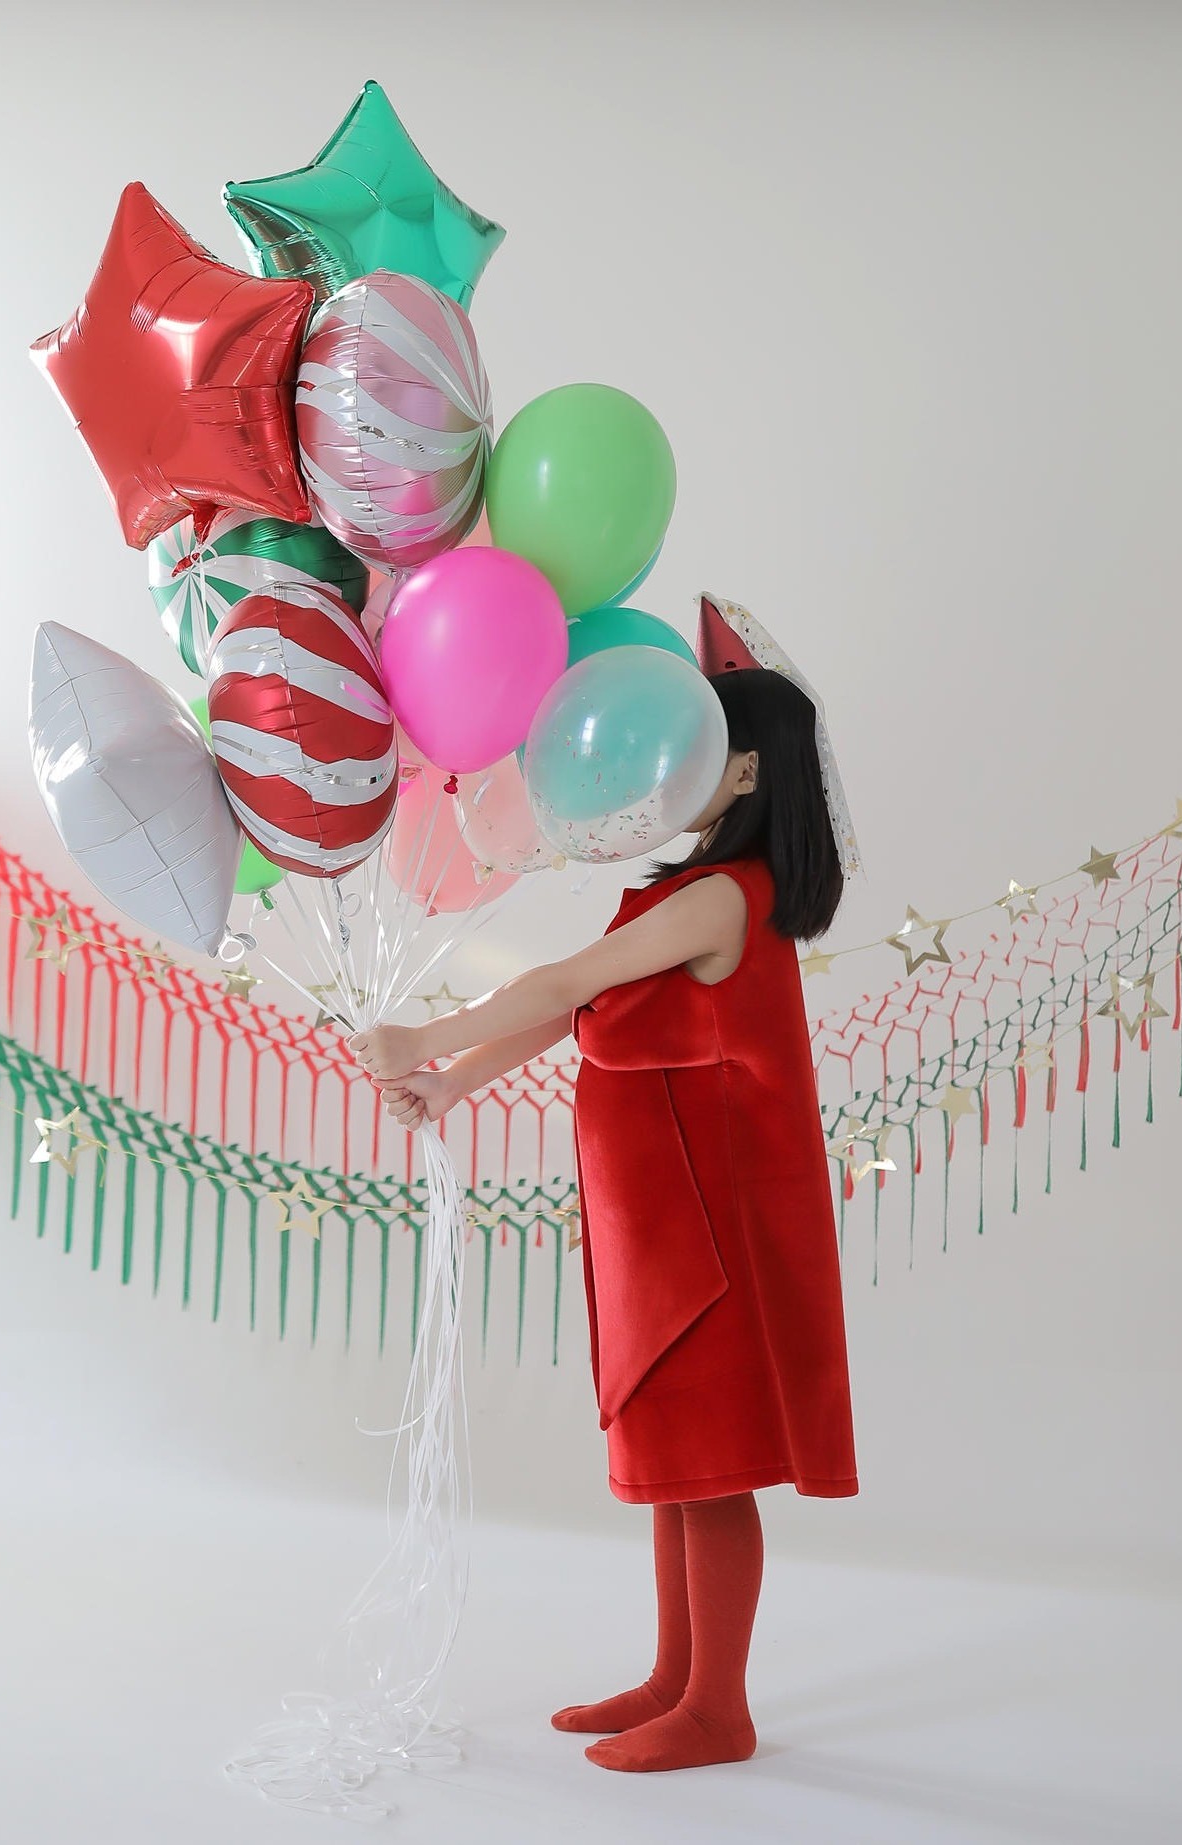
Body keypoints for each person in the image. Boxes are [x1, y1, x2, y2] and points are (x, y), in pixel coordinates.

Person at [348, 633, 861, 1776]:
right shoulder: (680, 892)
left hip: (710, 1227)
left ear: (743, 771)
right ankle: (679, 1679)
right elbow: (573, 1012)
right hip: (656, 1225)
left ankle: (717, 1708)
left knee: (713, 1463)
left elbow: (563, 981)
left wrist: (427, 1034)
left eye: (704, 736)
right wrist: (452, 1083)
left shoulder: (725, 897)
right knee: (678, 1456)